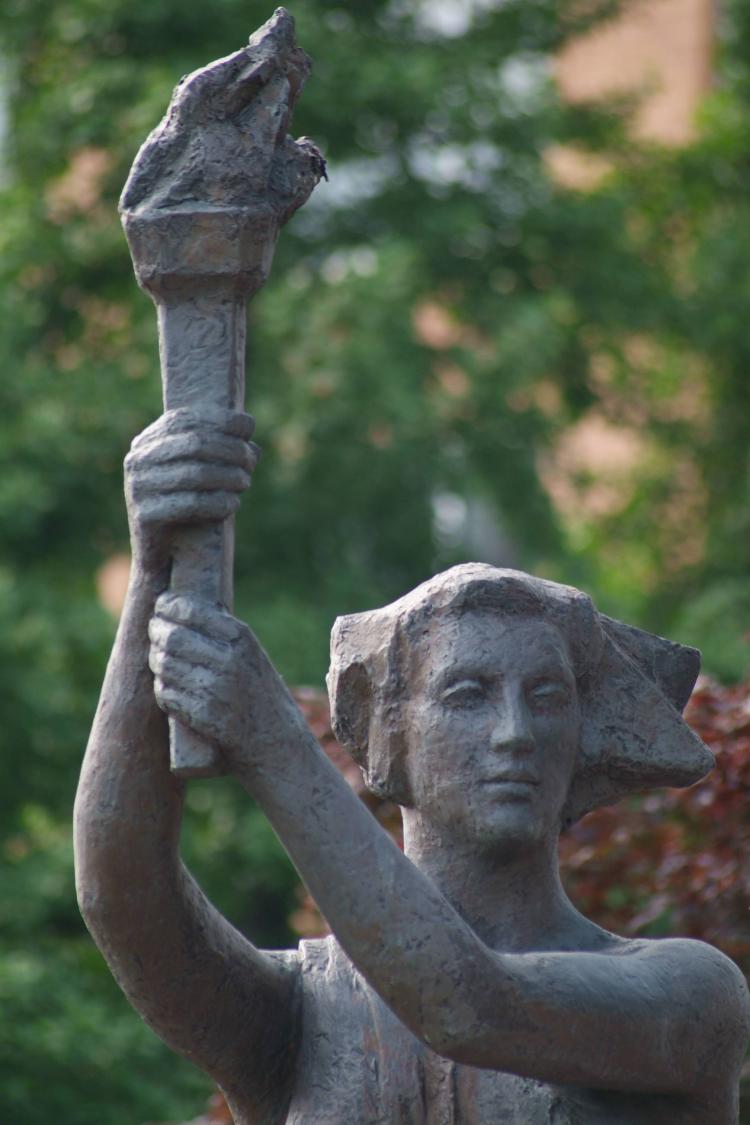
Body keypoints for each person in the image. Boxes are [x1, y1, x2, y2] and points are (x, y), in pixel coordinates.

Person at [75, 407, 750, 1125]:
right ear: (387, 735)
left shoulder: (687, 993)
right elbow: (120, 890)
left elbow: (463, 1003)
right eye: (468, 694)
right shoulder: (305, 1013)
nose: (514, 732)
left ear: (584, 740)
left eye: (547, 697)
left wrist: (272, 741)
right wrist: (156, 565)